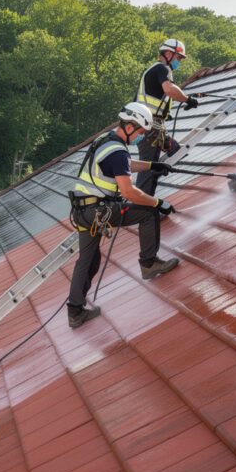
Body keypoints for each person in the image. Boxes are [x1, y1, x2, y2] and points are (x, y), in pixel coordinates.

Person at [65, 103, 179, 328]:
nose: (140, 137)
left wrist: (151, 165)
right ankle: (148, 263)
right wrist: (159, 203)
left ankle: (75, 312)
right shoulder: (116, 150)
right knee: (148, 212)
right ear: (129, 127)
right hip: (98, 211)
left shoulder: (108, 140)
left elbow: (124, 165)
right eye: (139, 132)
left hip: (82, 211)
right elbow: (128, 192)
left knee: (88, 260)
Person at [134, 38, 201, 196]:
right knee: (149, 166)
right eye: (178, 58)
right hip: (149, 127)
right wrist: (187, 99)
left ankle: (146, 197)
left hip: (152, 126)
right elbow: (169, 89)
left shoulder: (155, 70)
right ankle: (145, 208)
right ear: (169, 53)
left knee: (176, 150)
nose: (179, 62)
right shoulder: (163, 69)